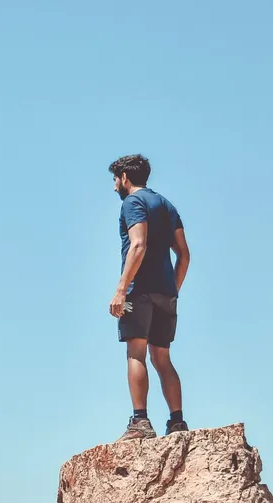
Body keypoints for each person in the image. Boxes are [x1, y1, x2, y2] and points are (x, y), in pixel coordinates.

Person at [108, 154, 190, 441]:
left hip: (139, 290)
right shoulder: (166, 205)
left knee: (136, 352)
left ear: (125, 178)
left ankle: (140, 422)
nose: (114, 187)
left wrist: (121, 288)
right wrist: (173, 288)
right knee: (162, 357)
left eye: (115, 180)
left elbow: (138, 244)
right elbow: (184, 254)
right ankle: (177, 422)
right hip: (166, 291)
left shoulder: (133, 202)